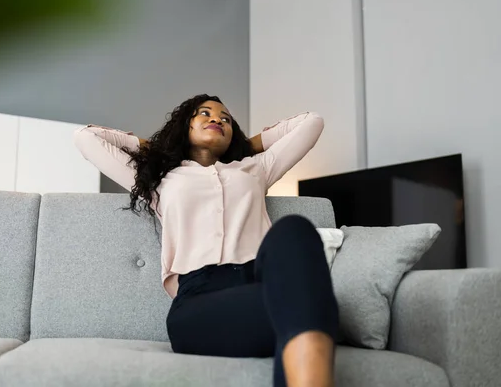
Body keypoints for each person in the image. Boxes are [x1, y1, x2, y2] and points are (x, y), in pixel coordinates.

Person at [73, 94, 338, 387]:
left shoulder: (256, 168)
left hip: (262, 286)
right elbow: (87, 138)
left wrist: (244, 146)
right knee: (305, 307)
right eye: (204, 114)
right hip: (199, 302)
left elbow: (312, 123)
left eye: (225, 119)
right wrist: (162, 147)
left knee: (294, 230)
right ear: (184, 127)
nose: (217, 120)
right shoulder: (161, 180)